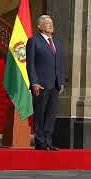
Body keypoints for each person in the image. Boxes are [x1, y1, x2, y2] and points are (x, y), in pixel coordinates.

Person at [26, 15, 65, 151]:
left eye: (51, 23)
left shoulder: (57, 43)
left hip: (54, 85)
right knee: (40, 114)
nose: (50, 25)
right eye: (47, 23)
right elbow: (30, 64)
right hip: (41, 84)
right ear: (39, 26)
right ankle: (40, 142)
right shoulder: (34, 41)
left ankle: (48, 141)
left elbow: (59, 65)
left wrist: (61, 81)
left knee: (51, 114)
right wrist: (34, 82)